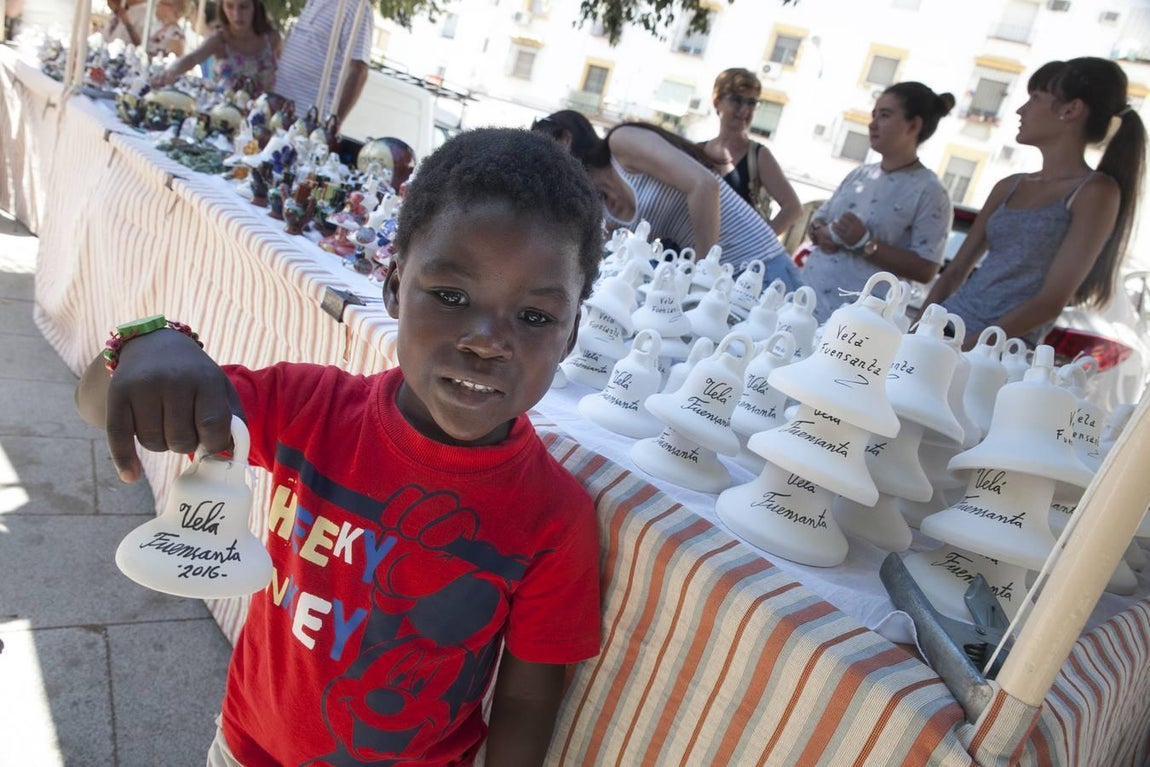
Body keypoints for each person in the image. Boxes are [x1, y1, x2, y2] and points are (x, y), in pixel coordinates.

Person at [75, 129, 604, 765]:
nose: (488, 340)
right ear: (393, 285)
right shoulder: (307, 409)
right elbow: (102, 400)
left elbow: (525, 701)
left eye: (535, 317)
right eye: (451, 297)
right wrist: (147, 343)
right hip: (245, 750)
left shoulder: (554, 517)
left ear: (572, 334)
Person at [924, 57, 1146, 348]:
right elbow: (954, 272)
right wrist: (920, 329)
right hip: (945, 330)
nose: (1021, 110)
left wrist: (969, 348)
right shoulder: (1009, 186)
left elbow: (1050, 302)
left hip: (995, 355)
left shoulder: (1095, 192)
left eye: (1035, 98)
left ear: (1071, 109)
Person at [533, 110, 804, 291]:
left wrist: (701, 272)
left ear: (566, 139)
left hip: (761, 267)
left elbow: (704, 186)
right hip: (718, 287)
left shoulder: (623, 143)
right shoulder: (598, 205)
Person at [801, 82, 955, 322]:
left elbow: (927, 268)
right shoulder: (859, 175)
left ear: (913, 125)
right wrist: (822, 233)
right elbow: (820, 218)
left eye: (885, 115)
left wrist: (865, 243)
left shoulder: (930, 191)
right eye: (873, 115)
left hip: (855, 324)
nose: (873, 124)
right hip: (806, 303)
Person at [699, 67, 802, 237]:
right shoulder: (697, 151)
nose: (745, 110)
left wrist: (757, 244)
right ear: (717, 101)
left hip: (732, 258)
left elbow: (793, 208)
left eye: (751, 103)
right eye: (737, 100)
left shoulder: (758, 155)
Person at [273, 0, 373, 135]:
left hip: (306, 124)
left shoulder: (357, 6)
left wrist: (331, 125)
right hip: (278, 113)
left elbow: (358, 71)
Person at [151, 0, 280, 96]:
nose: (236, 14)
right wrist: (169, 73)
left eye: (243, 7)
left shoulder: (272, 39)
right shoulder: (219, 40)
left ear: (255, 7)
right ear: (222, 8)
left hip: (265, 119)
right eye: (230, 6)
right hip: (223, 115)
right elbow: (192, 58)